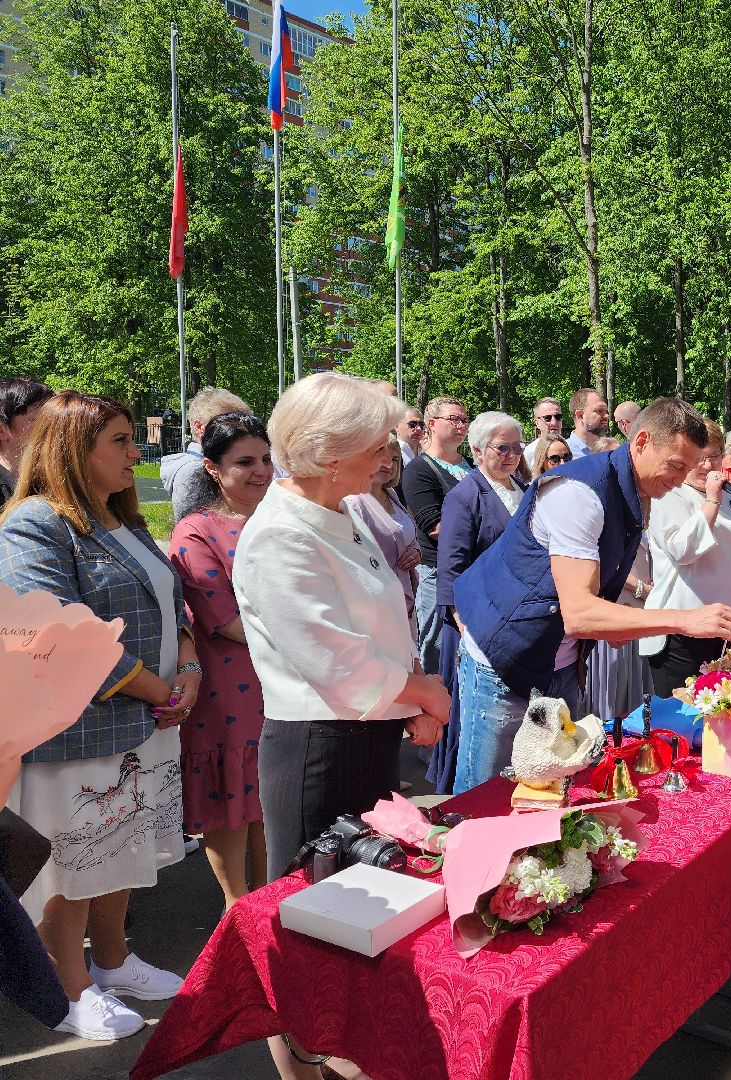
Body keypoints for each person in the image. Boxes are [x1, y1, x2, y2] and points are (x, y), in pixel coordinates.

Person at [232, 375, 448, 1080]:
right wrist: (426, 694)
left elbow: (381, 619)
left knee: (357, 919)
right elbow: (339, 663)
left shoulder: (338, 506)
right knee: (307, 926)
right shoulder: (277, 536)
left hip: (365, 734)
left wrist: (412, 696)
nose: (387, 456)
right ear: (327, 454)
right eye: (374, 445)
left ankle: (338, 1055)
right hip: (318, 748)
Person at [0, 392, 197, 1040]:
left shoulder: (122, 518)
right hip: (83, 733)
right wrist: (156, 692)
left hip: (145, 724)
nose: (135, 453)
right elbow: (58, 630)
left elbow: (174, 602)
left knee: (123, 856)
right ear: (74, 449)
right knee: (78, 866)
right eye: (119, 440)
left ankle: (113, 963)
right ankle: (69, 986)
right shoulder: (34, 522)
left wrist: (188, 668)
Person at [450, 398, 731, 792]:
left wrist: (618, 625)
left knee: (551, 793)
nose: (679, 480)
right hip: (504, 658)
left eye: (688, 469)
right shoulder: (580, 493)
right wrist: (683, 619)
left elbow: (592, 598)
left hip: (559, 662)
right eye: (675, 466)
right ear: (641, 442)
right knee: (486, 800)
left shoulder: (637, 491)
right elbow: (580, 613)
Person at [168, 413, 274, 910]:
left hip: (284, 681)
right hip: (230, 686)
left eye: (267, 459)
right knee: (232, 802)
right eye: (245, 462)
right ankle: (237, 912)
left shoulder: (280, 516)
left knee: (270, 803)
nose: (261, 471)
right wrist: (309, 638)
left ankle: (270, 911)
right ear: (211, 467)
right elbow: (222, 619)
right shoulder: (196, 530)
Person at [425, 413, 530, 793]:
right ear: (477, 450)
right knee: (478, 730)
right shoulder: (465, 495)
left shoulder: (523, 489)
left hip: (520, 622)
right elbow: (451, 567)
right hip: (479, 626)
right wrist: (465, 622)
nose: (513, 455)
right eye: (503, 448)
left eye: (518, 447)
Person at [642, 420, 731, 695]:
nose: (706, 466)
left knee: (726, 718)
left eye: (713, 457)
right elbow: (683, 551)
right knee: (682, 724)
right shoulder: (668, 494)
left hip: (727, 628)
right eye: (699, 459)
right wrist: (712, 503)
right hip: (683, 632)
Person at [402, 396, 472, 674]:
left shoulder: (471, 466)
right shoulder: (419, 470)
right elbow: (435, 528)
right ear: (432, 424)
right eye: (454, 419)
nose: (461, 425)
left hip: (474, 570)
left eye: (464, 420)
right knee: (437, 648)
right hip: (438, 572)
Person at [344, 437, 421, 628]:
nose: (389, 464)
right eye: (382, 456)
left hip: (404, 600)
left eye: (395, 459)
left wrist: (417, 551)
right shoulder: (354, 500)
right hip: (376, 604)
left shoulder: (392, 494)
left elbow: (406, 534)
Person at [160, 386, 249, 522]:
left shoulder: (219, 462)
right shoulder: (192, 470)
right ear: (199, 427)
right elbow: (192, 528)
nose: (236, 431)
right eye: (226, 423)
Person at [0, 377, 54, 506]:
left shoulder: (57, 478)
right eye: (38, 421)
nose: (51, 428)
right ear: (2, 430)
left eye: (52, 420)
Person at [524, 397, 566, 474]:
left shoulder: (570, 448)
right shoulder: (529, 453)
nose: (554, 422)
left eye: (558, 417)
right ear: (537, 423)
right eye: (547, 418)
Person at [566, 387, 611, 459]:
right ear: (580, 415)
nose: (606, 416)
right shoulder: (564, 454)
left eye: (606, 411)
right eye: (599, 410)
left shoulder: (611, 449)